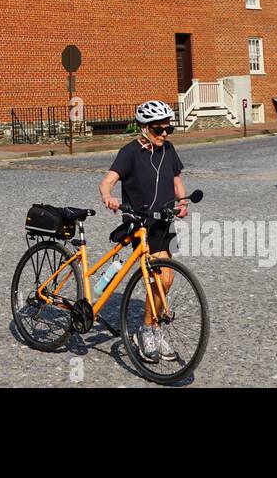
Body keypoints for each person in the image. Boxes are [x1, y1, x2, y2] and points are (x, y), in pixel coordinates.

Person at [100, 100, 188, 362]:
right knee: (155, 278)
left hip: (163, 220)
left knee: (167, 279)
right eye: (158, 130)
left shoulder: (168, 149)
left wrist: (182, 202)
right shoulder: (129, 153)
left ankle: (153, 327)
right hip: (141, 223)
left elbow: (176, 181)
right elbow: (107, 182)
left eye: (167, 130)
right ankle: (147, 330)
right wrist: (109, 197)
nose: (163, 134)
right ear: (143, 128)